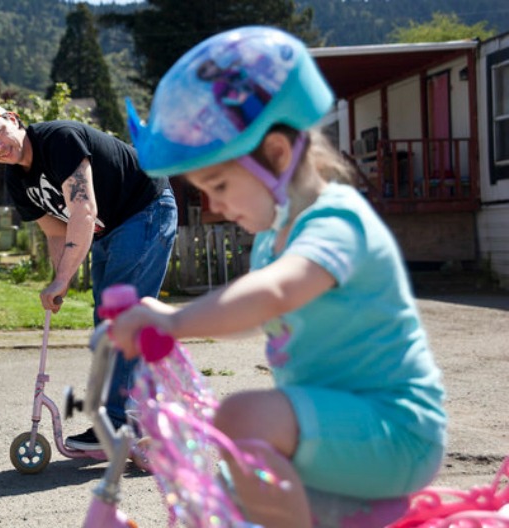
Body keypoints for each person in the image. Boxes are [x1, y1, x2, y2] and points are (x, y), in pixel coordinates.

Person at [113, 26, 447, 528]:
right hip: (336, 426)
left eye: (220, 184)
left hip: (395, 432)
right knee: (229, 482)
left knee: (242, 419)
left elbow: (270, 295)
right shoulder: (273, 238)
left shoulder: (337, 222)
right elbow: (255, 311)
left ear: (275, 154)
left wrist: (173, 319)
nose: (216, 206)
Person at [0, 99, 177, 451]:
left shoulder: (59, 139)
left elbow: (83, 209)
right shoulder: (17, 180)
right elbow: (56, 232)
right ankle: (121, 419)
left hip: (145, 209)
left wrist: (63, 278)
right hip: (110, 229)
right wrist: (60, 279)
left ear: (13, 120)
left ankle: (126, 423)